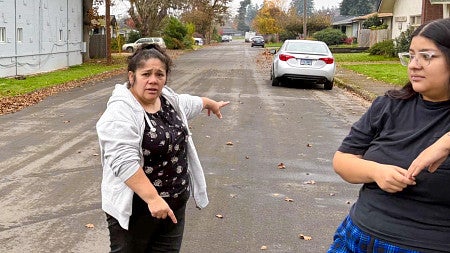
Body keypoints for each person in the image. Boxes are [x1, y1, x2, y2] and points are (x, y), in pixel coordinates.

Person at [327, 18, 450, 253]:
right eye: (411, 55)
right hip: (356, 237)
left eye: (426, 56)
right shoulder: (389, 105)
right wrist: (377, 172)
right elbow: (342, 161)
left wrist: (446, 142)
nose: (414, 65)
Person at [96, 43, 230, 252]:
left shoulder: (168, 100)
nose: (153, 80)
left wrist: (209, 103)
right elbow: (123, 162)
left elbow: (188, 103)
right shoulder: (120, 112)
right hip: (137, 208)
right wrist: (153, 199)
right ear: (132, 77)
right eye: (146, 74)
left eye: (160, 74)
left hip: (174, 205)